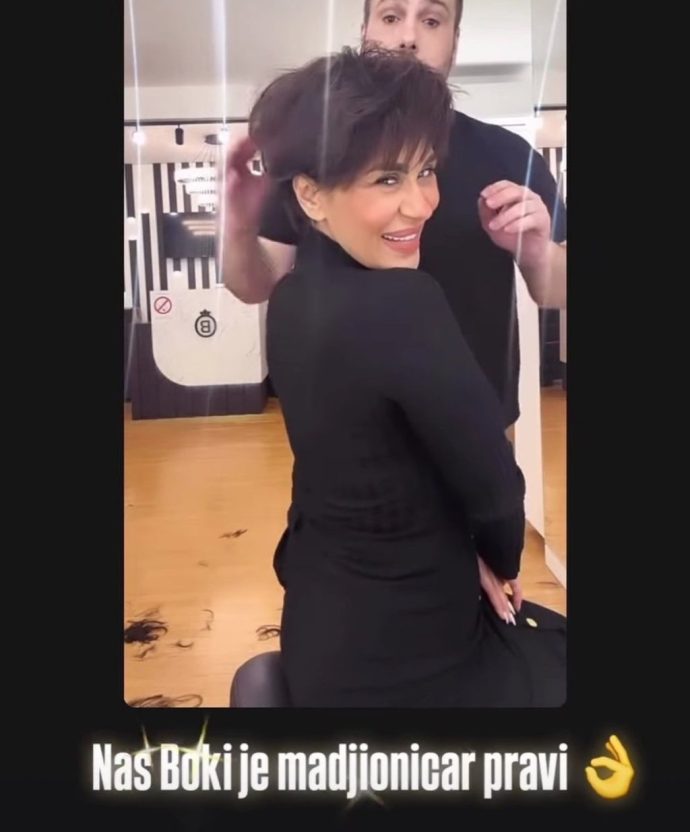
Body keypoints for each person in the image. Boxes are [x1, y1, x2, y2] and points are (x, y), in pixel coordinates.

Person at [246, 45, 565, 708]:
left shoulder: (290, 301)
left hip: (320, 628)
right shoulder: (405, 302)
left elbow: (375, 476)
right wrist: (501, 561)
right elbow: (497, 493)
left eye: (426, 171)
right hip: (409, 660)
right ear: (311, 195)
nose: (421, 205)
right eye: (387, 180)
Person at [219, 0, 567, 431]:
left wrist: (536, 252)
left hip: (479, 425)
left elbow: (557, 291)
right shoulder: (312, 153)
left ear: (455, 41)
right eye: (390, 16)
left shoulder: (508, 155)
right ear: (365, 31)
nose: (408, 37)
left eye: (431, 20)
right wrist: (238, 227)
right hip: (345, 431)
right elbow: (254, 286)